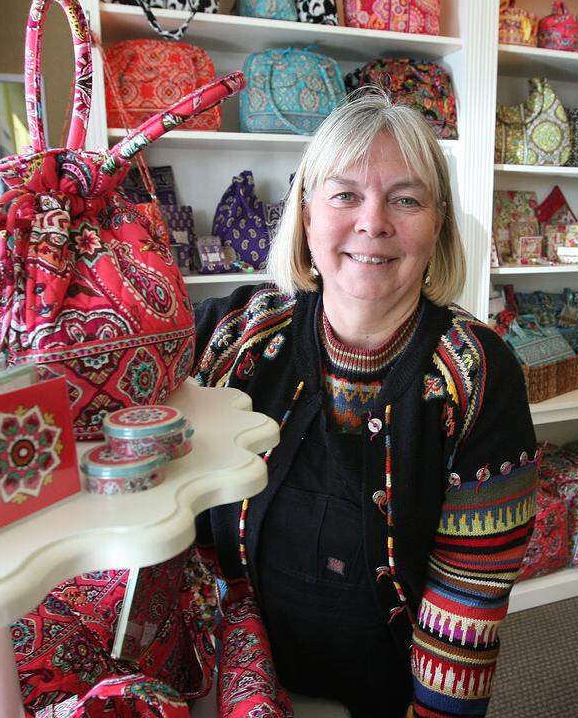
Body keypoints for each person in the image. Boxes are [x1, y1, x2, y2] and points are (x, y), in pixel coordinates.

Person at [193, 91, 538, 718]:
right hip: (229, 678)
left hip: (387, 696)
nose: (373, 221)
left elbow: (469, 598)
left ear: (438, 227)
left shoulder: (477, 374)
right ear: (304, 215)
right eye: (344, 194)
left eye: (405, 199)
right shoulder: (233, 338)